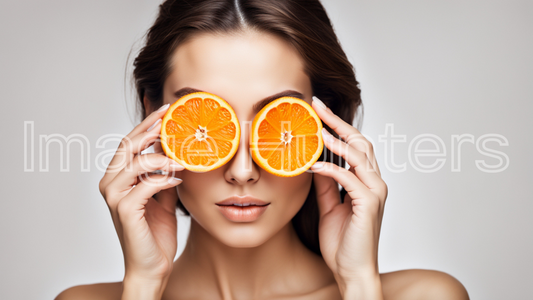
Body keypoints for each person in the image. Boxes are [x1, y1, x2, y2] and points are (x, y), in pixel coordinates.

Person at [56, 0, 469, 299]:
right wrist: (143, 286)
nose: (241, 170)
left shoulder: (426, 295)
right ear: (154, 118)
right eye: (206, 122)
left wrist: (359, 284)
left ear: (325, 122)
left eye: (278, 120)